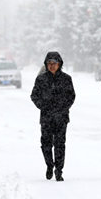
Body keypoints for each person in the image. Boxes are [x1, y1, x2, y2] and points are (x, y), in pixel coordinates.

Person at [30, 51, 76, 182]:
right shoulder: (41, 79)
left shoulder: (67, 79)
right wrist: (43, 106)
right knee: (46, 143)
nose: (52, 66)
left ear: (59, 64)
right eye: (49, 63)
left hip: (61, 117)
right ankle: (49, 165)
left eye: (54, 63)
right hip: (46, 117)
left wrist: (63, 108)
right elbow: (34, 96)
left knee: (60, 144)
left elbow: (71, 96)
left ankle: (59, 170)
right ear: (46, 64)